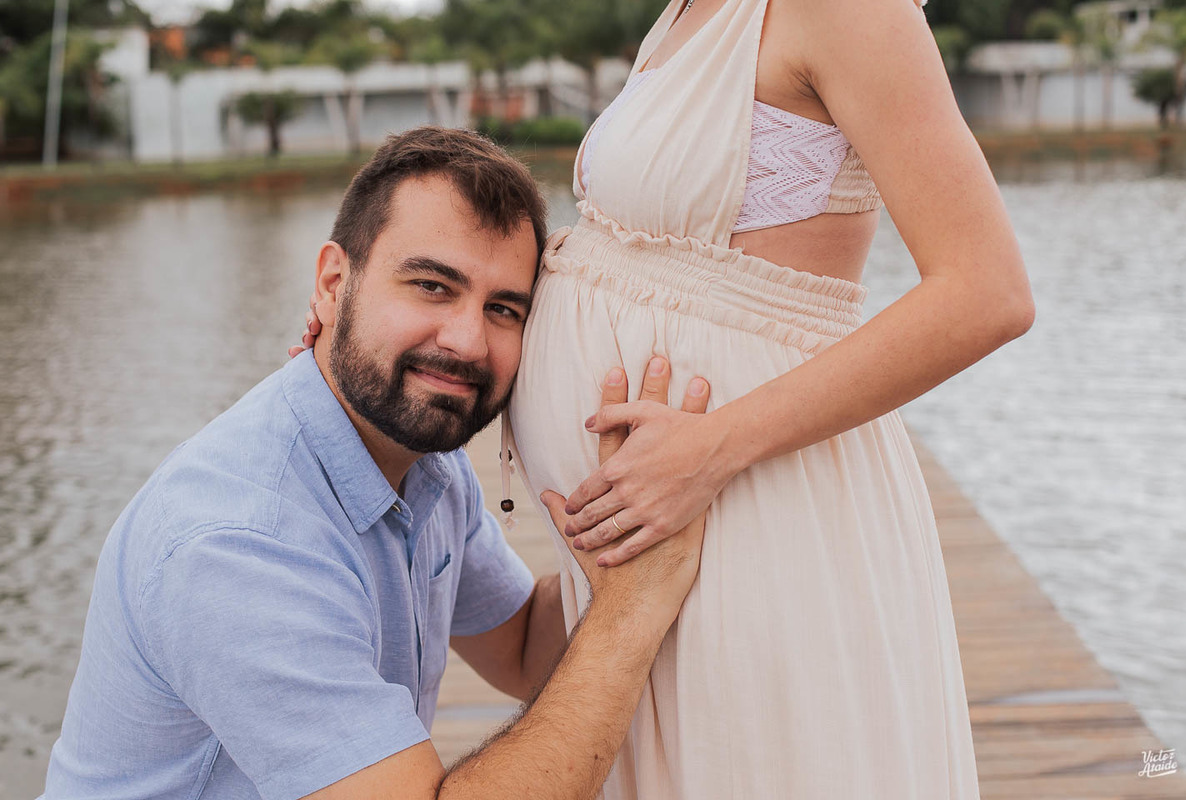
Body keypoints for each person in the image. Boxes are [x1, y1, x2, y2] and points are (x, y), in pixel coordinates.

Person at [299, 0, 1038, 796]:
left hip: (740, 495)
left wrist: (710, 449)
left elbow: (987, 292)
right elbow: (634, 264)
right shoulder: (683, 14)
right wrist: (363, 310)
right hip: (659, 514)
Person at [39, 127, 712, 800]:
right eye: (431, 286)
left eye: (503, 309)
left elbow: (519, 650)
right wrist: (630, 612)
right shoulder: (238, 543)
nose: (468, 341)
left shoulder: (423, 467)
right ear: (334, 284)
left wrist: (627, 535)